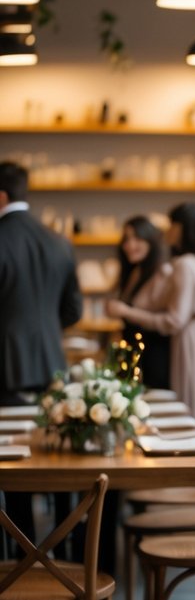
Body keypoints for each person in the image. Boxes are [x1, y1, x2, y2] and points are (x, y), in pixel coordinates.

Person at [0, 160, 82, 543]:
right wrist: (44, 333)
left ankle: (22, 561)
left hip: (5, 370)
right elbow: (73, 311)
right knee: (58, 459)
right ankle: (63, 554)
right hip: (53, 367)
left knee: (12, 468)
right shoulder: (58, 241)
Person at [107, 202, 195, 423]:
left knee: (190, 407)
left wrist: (127, 312)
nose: (167, 231)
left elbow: (174, 319)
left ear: (183, 229)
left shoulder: (182, 265)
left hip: (189, 339)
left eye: (172, 225)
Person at [115, 215, 171, 389]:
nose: (129, 245)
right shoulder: (135, 271)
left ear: (151, 241)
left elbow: (166, 320)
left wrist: (124, 311)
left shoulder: (163, 272)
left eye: (137, 238)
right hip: (133, 351)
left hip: (153, 354)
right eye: (126, 239)